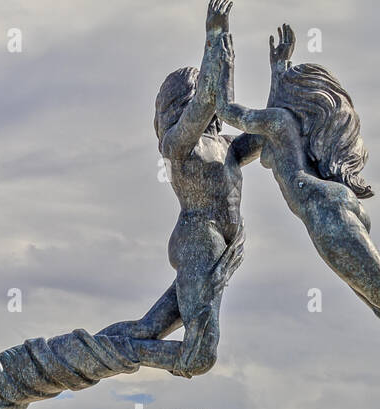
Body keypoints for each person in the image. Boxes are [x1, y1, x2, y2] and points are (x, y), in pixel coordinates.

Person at [215, 21, 380, 331]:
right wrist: (279, 68)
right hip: (334, 203)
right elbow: (271, 114)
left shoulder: (279, 123)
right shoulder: (286, 127)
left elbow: (228, 110)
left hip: (324, 208)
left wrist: (222, 63)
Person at [96, 0, 261, 380]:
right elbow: (208, 102)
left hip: (219, 243)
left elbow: (247, 119)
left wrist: (277, 75)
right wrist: (214, 38)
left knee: (146, 329)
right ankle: (109, 353)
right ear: (181, 102)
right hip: (198, 241)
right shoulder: (177, 145)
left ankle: (86, 351)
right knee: (198, 356)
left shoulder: (226, 144)